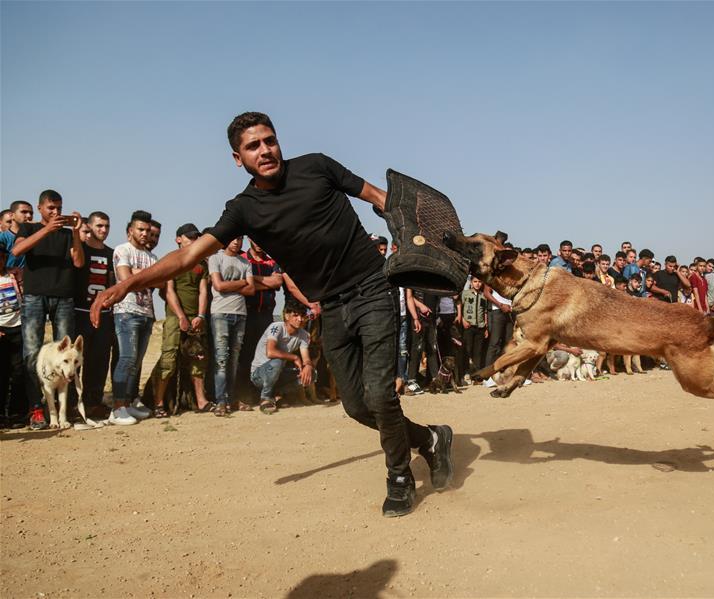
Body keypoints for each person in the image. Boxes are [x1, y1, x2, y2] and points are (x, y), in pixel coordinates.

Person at [91, 111, 452, 518]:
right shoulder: (243, 210)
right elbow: (188, 256)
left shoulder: (317, 166)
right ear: (237, 158)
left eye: (269, 140)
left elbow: (378, 197)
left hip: (372, 287)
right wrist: (126, 285)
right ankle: (430, 439)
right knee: (356, 405)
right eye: (253, 146)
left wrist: (429, 237)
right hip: (330, 306)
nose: (264, 151)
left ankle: (399, 477)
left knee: (380, 394)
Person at [11, 190, 84, 429]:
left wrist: (75, 232)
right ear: (40, 208)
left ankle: (64, 410)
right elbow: (17, 251)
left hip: (63, 296)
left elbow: (78, 261)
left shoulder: (67, 233)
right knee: (32, 354)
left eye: (59, 208)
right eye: (51, 208)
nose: (56, 212)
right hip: (34, 296)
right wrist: (47, 229)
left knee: (67, 354)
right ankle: (36, 409)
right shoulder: (29, 228)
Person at [148, 223, 211, 416]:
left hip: (196, 318)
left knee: (198, 360)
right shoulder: (172, 260)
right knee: (169, 359)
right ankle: (158, 404)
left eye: (196, 237)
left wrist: (200, 315)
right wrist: (181, 316)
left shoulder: (201, 263)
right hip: (175, 318)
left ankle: (201, 401)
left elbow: (203, 291)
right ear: (178, 239)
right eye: (189, 237)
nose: (194, 240)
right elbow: (169, 291)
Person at [109, 210, 159, 425]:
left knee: (136, 363)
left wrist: (137, 273)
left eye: (147, 230)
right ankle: (117, 407)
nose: (145, 234)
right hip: (126, 311)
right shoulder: (122, 250)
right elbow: (125, 278)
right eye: (140, 229)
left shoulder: (152, 257)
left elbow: (160, 282)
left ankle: (128, 403)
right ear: (130, 230)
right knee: (127, 359)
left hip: (147, 313)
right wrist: (146, 275)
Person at [73, 211, 116, 419]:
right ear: (89, 227)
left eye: (107, 226)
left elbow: (113, 282)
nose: (104, 230)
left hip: (104, 315)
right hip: (79, 312)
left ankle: (93, 403)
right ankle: (72, 405)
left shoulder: (112, 253)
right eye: (99, 226)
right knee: (74, 362)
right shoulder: (80, 250)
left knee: (99, 362)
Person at [208, 235, 255, 415]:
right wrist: (242, 282)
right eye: (233, 238)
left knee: (234, 359)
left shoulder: (245, 262)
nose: (236, 242)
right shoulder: (215, 258)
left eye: (240, 239)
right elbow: (218, 286)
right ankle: (220, 401)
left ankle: (230, 398)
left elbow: (251, 289)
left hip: (240, 314)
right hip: (220, 312)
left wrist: (230, 285)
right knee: (221, 358)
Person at [235, 238, 282, 405]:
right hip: (247, 313)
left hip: (267, 314)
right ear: (249, 239)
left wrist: (251, 280)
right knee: (246, 355)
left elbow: (277, 282)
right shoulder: (241, 259)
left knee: (266, 354)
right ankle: (244, 395)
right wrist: (266, 282)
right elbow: (241, 285)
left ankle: (265, 395)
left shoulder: (272, 261)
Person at [249, 298, 313, 414]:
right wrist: (295, 357)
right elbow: (270, 352)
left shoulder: (304, 334)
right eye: (295, 315)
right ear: (287, 316)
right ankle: (265, 398)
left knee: (312, 374)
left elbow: (306, 358)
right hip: (259, 374)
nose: (299, 319)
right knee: (277, 361)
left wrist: (308, 365)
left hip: (278, 374)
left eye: (302, 316)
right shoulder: (276, 327)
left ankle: (278, 394)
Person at [0, 245, 27, 428]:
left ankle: (17, 413)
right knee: (1, 373)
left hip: (18, 328)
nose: (0, 261)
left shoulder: (14, 275)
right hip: (1, 330)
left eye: (2, 257)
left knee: (19, 372)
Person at [460, 276, 488, 378]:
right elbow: (459, 307)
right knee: (467, 349)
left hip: (480, 327)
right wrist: (463, 320)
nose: (477, 284)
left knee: (478, 351)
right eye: (475, 281)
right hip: (468, 326)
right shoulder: (465, 294)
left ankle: (476, 373)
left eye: (479, 281)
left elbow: (485, 311)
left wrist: (486, 327)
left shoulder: (483, 295)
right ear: (471, 283)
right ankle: (466, 372)